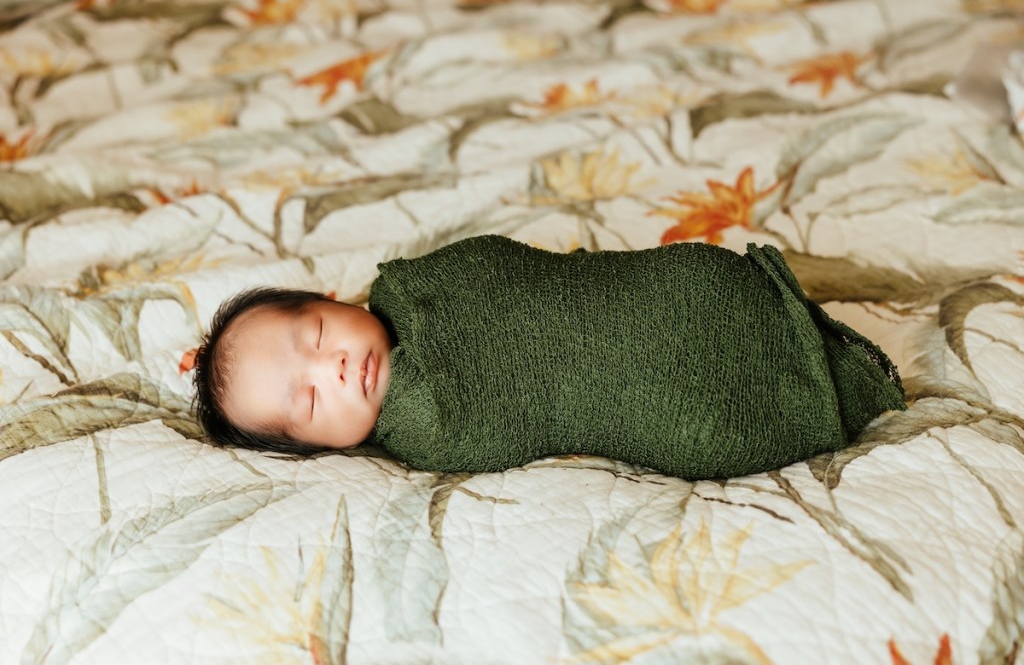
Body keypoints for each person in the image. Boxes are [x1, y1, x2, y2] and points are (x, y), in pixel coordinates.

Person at [192, 235, 906, 480]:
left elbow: (501, 267)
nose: (335, 369)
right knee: (702, 419)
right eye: (312, 401)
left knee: (694, 289)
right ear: (322, 449)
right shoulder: (426, 427)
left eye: (317, 335)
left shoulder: (415, 284)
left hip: (683, 285)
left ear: (330, 298)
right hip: (685, 409)